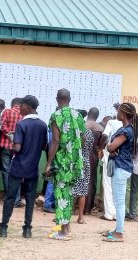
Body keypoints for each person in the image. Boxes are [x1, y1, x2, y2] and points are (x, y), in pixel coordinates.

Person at [0, 95, 47, 238]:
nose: (20, 108)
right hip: (32, 167)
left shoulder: (21, 124)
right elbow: (44, 146)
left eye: (22, 105)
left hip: (18, 166)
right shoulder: (43, 125)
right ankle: (27, 229)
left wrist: (13, 142)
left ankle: (3, 228)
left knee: (10, 197)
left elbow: (17, 148)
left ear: (28, 107)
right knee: (30, 198)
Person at [45, 89, 85, 241]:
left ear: (57, 99)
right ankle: (66, 228)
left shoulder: (56, 115)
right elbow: (81, 138)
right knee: (68, 194)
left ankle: (64, 232)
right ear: (70, 98)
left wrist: (48, 163)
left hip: (62, 163)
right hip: (75, 162)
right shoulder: (78, 115)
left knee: (61, 195)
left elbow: (55, 140)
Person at [102, 103, 138, 242]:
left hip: (121, 168)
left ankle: (119, 233)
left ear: (122, 115)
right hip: (123, 167)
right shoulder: (129, 129)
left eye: (118, 111)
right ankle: (117, 229)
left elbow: (111, 147)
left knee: (119, 202)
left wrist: (109, 146)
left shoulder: (126, 131)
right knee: (118, 201)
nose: (116, 113)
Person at [98, 103, 122, 221]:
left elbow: (105, 136)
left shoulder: (111, 123)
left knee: (107, 185)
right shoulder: (129, 125)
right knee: (118, 186)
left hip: (110, 156)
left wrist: (100, 148)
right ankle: (117, 214)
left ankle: (109, 214)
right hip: (122, 158)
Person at [0, 97, 23, 207]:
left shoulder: (7, 112)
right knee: (16, 173)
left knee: (6, 171)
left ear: (12, 104)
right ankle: (16, 200)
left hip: (5, 145)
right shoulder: (24, 115)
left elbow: (2, 126)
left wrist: (10, 135)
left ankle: (9, 197)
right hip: (18, 148)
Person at [73, 110, 94, 224]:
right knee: (82, 190)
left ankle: (66, 215)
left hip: (73, 162)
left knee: (68, 188)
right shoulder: (89, 133)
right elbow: (90, 148)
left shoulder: (72, 132)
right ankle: (80, 217)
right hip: (85, 162)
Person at [85, 107, 104, 214]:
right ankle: (87, 209)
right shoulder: (100, 128)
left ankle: (74, 208)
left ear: (88, 113)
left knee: (76, 181)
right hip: (93, 157)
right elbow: (102, 144)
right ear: (97, 116)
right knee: (91, 182)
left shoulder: (82, 125)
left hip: (80, 156)